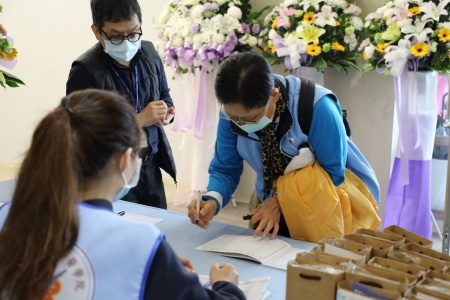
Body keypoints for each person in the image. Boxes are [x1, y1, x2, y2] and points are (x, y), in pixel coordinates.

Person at [0, 89, 245, 300]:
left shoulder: (7, 215)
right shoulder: (140, 241)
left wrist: (158, 268)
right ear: (125, 159)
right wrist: (226, 285)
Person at [188, 52, 381, 242]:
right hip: (269, 197)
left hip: (325, 202)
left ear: (274, 95)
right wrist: (212, 201)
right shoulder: (229, 116)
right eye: (235, 118)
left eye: (250, 119)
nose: (240, 124)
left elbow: (333, 174)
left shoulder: (318, 107)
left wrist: (281, 201)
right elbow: (225, 169)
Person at [66, 0, 175, 209]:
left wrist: (167, 112)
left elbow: (164, 94)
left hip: (149, 165)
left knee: (158, 227)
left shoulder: (149, 53)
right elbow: (79, 130)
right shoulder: (84, 71)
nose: (127, 42)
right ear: (97, 32)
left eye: (134, 33)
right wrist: (138, 119)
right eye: (116, 36)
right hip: (109, 174)